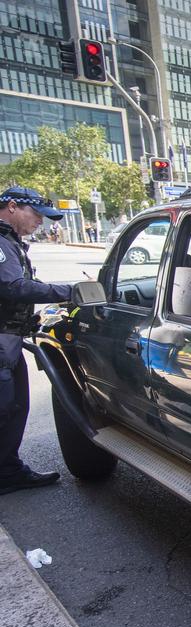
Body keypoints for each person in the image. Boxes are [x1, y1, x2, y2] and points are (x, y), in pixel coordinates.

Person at [0, 187, 73, 495]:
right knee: (4, 406)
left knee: (16, 406)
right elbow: (13, 287)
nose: (40, 223)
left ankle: (8, 471)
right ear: (13, 206)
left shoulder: (11, 243)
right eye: (37, 215)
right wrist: (67, 290)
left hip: (11, 338)